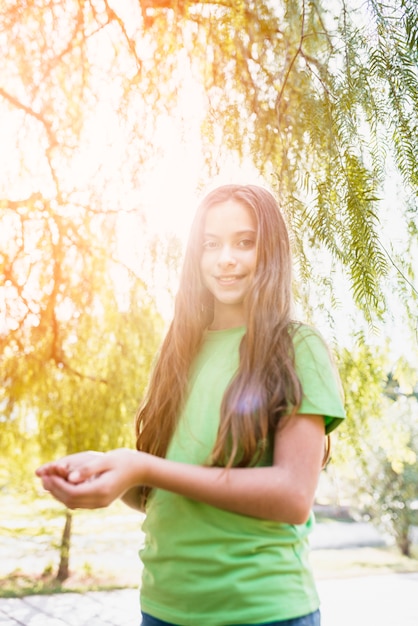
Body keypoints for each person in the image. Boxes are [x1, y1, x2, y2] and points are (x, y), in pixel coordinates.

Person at [36, 184, 346, 626]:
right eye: (211, 244)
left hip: (262, 611)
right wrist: (112, 472)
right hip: (164, 609)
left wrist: (143, 467)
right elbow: (162, 493)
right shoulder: (179, 350)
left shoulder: (297, 347)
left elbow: (293, 496)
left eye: (245, 242)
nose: (226, 259)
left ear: (272, 250)